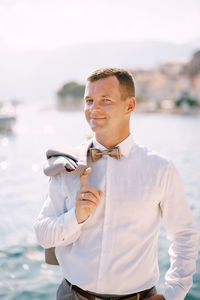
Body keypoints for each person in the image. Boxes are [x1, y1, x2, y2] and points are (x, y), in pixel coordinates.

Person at [34, 68, 199, 300]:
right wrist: (76, 217)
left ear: (130, 106)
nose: (94, 108)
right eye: (89, 100)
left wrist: (174, 293)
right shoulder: (68, 166)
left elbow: (184, 234)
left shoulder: (160, 168)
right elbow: (42, 234)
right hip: (71, 295)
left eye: (106, 100)